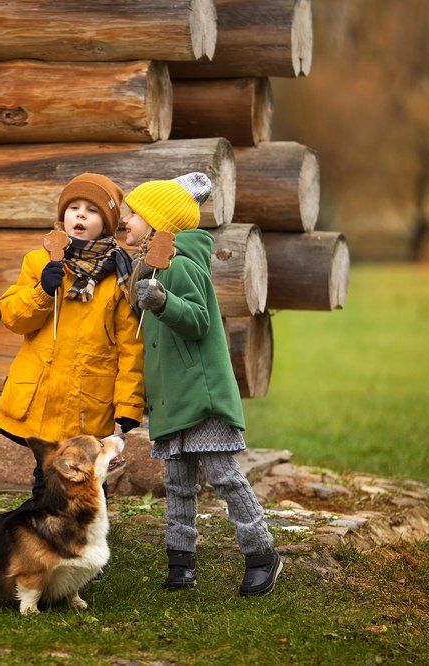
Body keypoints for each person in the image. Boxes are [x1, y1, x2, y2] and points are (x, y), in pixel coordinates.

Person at [124, 172, 282, 597]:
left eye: (134, 214)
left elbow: (198, 321)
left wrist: (161, 300)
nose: (127, 221)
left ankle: (262, 553)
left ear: (160, 224)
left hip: (202, 395)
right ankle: (181, 562)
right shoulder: (153, 264)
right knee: (177, 482)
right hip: (173, 398)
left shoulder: (183, 264)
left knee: (223, 475)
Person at [0, 173, 144, 497]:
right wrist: (42, 290)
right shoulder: (40, 262)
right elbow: (13, 318)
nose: (80, 214)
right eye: (73, 207)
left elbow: (131, 346)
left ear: (106, 224)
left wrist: (129, 405)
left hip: (87, 403)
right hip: (41, 400)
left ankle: (84, 533)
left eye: (92, 210)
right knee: (45, 476)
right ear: (62, 217)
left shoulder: (119, 277)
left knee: (85, 482)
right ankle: (43, 536)